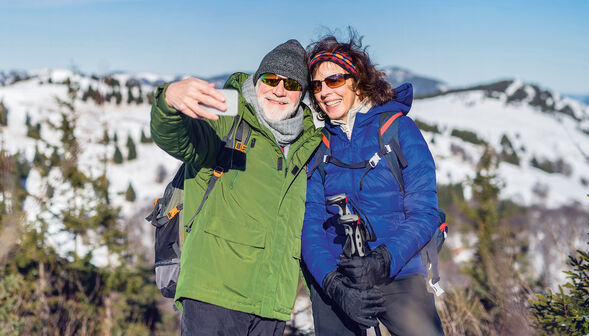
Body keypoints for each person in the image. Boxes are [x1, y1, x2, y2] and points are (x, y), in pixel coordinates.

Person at [151, 39, 322, 336]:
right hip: (213, 298)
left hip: (272, 305)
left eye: (291, 84)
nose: (279, 90)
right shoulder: (226, 122)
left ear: (301, 94)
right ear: (257, 82)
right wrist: (168, 100)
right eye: (271, 79)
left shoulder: (307, 145)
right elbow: (177, 138)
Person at [301, 32, 445, 335]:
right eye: (316, 85)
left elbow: (424, 213)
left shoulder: (399, 131)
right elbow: (310, 225)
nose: (324, 92)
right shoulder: (318, 146)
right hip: (338, 280)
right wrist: (333, 284)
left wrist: (383, 260)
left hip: (399, 273)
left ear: (357, 80)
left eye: (335, 80)